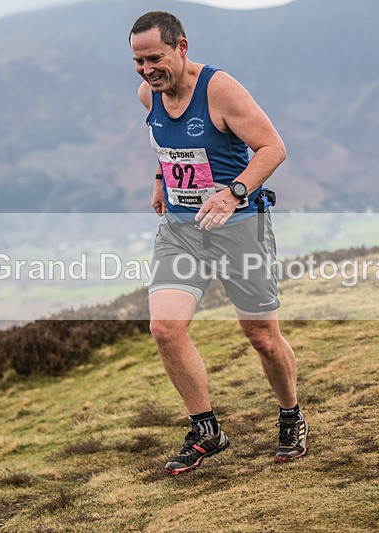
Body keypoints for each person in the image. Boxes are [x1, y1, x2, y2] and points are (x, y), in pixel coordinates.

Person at [129, 10, 308, 474]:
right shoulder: (149, 94)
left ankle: (291, 414)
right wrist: (160, 181)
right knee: (165, 328)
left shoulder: (219, 89)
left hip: (238, 228)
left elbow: (273, 148)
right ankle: (205, 429)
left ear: (181, 47)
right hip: (182, 230)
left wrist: (234, 193)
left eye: (155, 58)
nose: (147, 70)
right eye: (139, 61)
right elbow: (165, 146)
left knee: (262, 336)